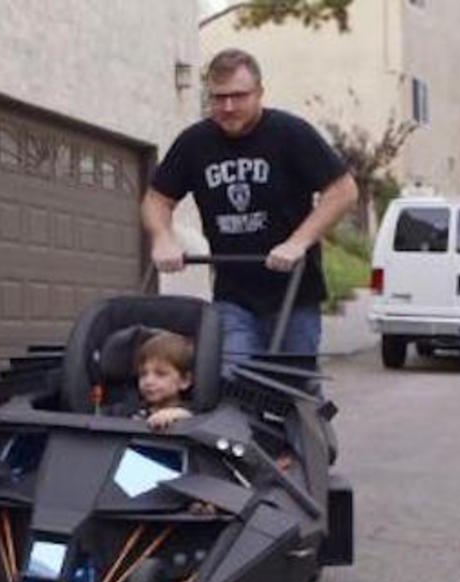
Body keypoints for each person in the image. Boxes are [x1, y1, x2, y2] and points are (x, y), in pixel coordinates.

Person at [141, 48, 359, 367]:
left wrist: (297, 243)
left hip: (293, 294)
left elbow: (343, 190)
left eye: (238, 96)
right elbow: (156, 200)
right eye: (218, 98)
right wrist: (162, 238)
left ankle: (306, 417)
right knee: (234, 381)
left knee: (293, 388)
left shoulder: (290, 134)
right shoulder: (195, 143)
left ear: (259, 93)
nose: (228, 107)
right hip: (233, 295)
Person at [111, 329, 195, 430]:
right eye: (143, 374)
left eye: (160, 374)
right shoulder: (130, 410)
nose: (148, 381)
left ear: (184, 381)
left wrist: (175, 415)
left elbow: (193, 417)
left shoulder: (191, 411)